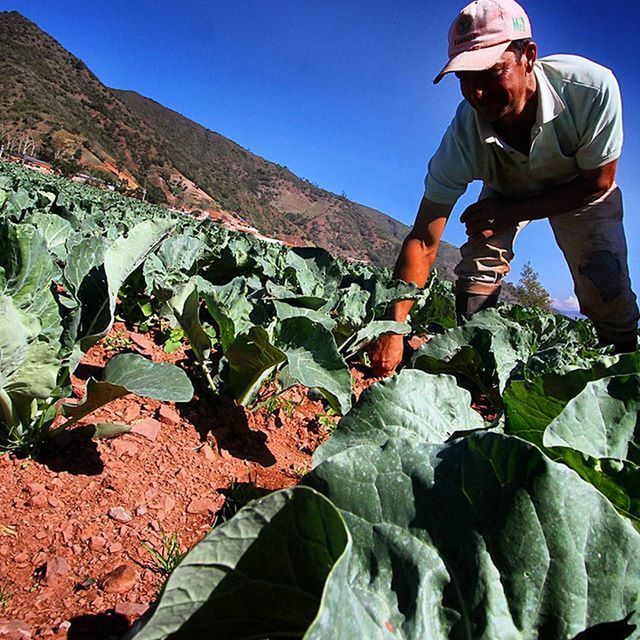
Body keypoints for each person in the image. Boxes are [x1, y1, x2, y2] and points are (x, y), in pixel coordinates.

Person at [371, 0, 639, 376]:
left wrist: (513, 213)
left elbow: (598, 183)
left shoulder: (590, 90)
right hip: (508, 188)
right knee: (478, 266)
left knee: (605, 282)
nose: (476, 93)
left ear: (528, 56)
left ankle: (625, 375)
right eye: (465, 78)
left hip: (579, 188)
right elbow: (424, 239)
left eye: (490, 72)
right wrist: (393, 328)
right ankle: (474, 367)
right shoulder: (463, 136)